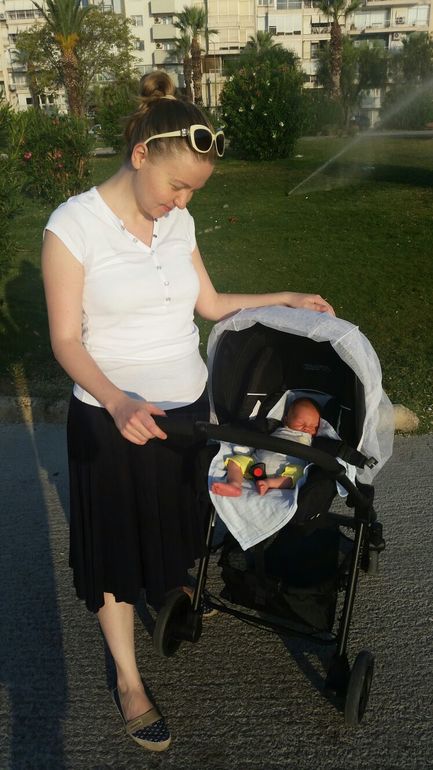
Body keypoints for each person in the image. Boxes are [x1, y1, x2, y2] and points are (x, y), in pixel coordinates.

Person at [41, 70, 335, 753]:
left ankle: (172, 591)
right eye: (176, 186)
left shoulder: (179, 221)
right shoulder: (72, 226)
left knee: (179, 528)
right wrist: (115, 398)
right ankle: (128, 681)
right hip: (113, 421)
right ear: (140, 153)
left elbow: (209, 304)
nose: (181, 203)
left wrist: (284, 297)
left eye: (192, 192)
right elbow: (65, 340)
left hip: (187, 414)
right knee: (115, 553)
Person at [211, 398, 321, 497]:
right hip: (256, 465)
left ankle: (268, 483)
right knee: (235, 461)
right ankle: (234, 484)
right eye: (301, 423)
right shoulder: (275, 428)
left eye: (313, 427)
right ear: (285, 419)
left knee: (298, 474)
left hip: (285, 470)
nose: (307, 428)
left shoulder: (310, 440)